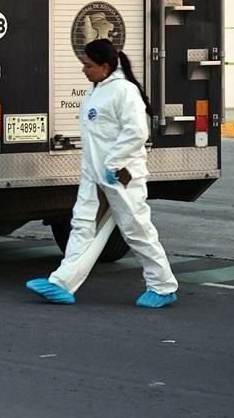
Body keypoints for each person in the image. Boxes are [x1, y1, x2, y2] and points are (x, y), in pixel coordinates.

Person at [26, 38, 179, 309]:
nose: (84, 70)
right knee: (82, 227)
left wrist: (112, 164)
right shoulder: (96, 91)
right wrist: (93, 171)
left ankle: (163, 286)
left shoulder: (124, 91)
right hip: (94, 176)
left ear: (105, 66)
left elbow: (137, 132)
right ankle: (61, 283)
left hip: (121, 176)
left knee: (136, 230)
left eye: (88, 66)